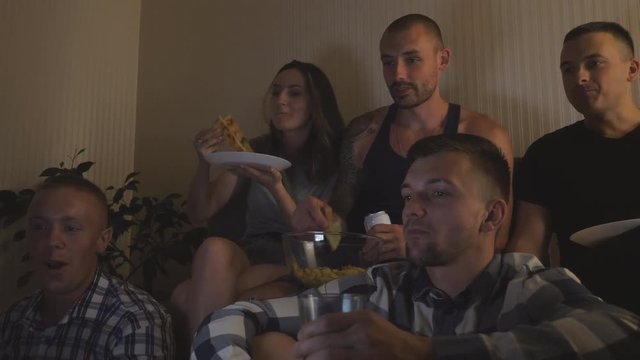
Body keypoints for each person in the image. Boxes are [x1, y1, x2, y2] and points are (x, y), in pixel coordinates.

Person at [191, 134, 640, 359]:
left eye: (438, 193)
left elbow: (623, 333)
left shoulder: (526, 286)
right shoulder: (382, 287)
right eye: (408, 196)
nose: (414, 210)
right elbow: (232, 315)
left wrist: (420, 351)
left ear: (493, 215)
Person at [298, 13, 513, 262]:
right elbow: (341, 217)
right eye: (388, 62)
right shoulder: (363, 132)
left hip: (446, 281)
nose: (398, 74)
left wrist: (417, 243)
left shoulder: (483, 134)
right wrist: (322, 222)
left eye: (412, 59)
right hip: (366, 278)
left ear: (442, 59)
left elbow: (498, 237)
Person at [170, 60, 344, 341]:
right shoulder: (256, 150)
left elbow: (318, 240)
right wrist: (203, 164)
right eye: (275, 92)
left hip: (298, 263)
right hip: (250, 256)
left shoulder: (337, 157)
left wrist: (275, 186)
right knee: (214, 248)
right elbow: (200, 212)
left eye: (294, 93)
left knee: (184, 296)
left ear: (316, 102)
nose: (281, 101)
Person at [509, 21, 640, 314]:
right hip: (586, 309)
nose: (579, 76)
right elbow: (528, 243)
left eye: (593, 63)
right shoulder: (547, 153)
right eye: (568, 69)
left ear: (631, 70)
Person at [0, 175, 174, 358]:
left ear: (103, 240)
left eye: (71, 228)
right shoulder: (12, 319)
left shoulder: (135, 320)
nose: (52, 241)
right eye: (39, 227)